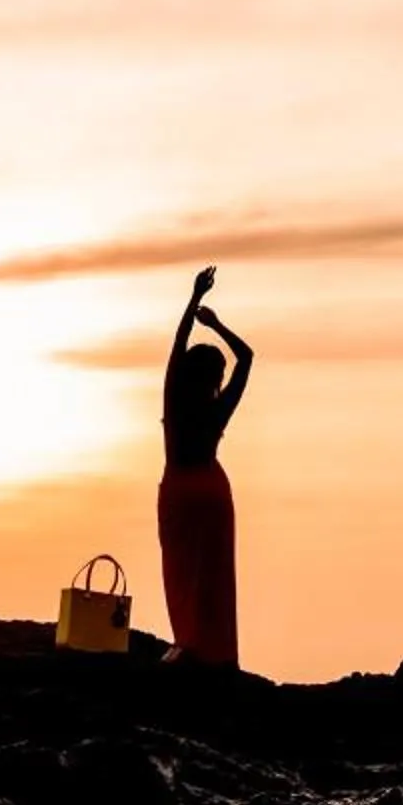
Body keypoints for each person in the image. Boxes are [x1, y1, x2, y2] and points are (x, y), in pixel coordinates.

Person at [158, 265, 252, 669]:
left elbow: (177, 346)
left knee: (182, 572)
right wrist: (216, 325)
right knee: (215, 575)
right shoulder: (217, 410)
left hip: (180, 491)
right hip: (212, 492)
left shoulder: (175, 401)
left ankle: (190, 641)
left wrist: (194, 299)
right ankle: (217, 650)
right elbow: (247, 357)